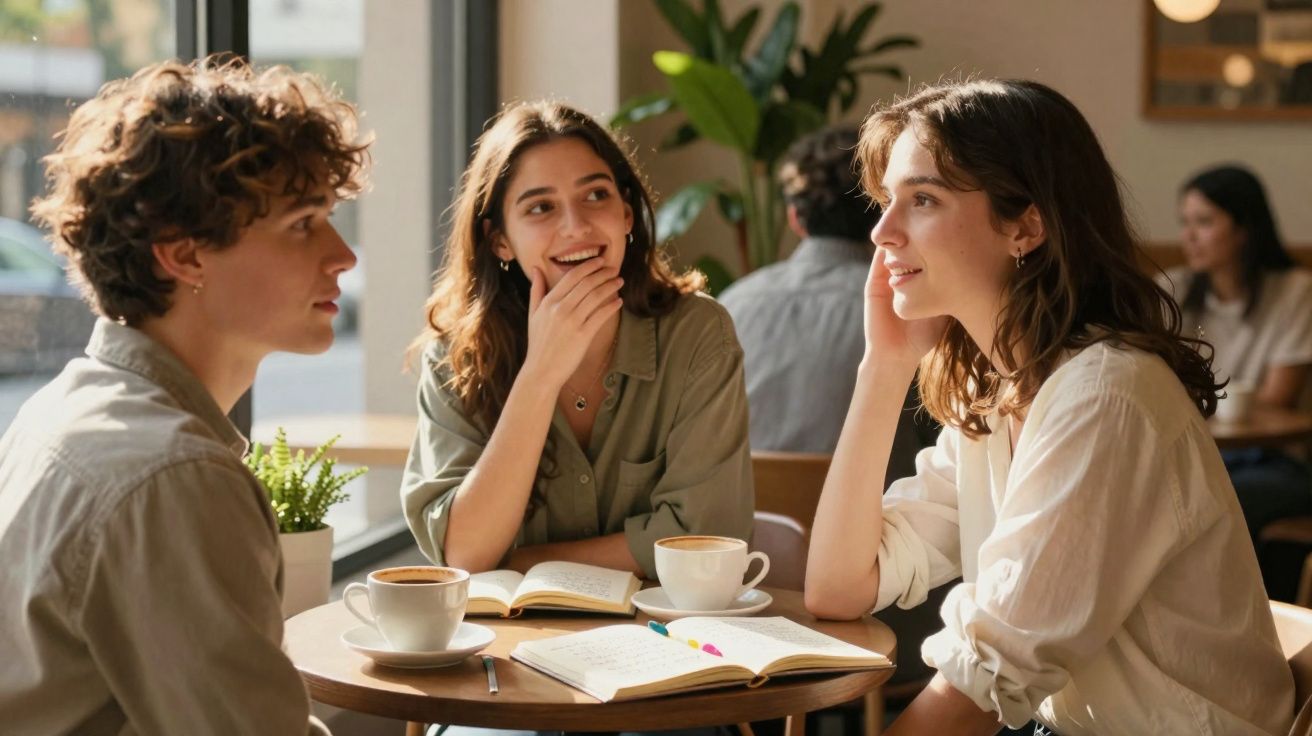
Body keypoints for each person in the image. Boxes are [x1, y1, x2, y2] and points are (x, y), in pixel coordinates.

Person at [804, 79, 1293, 735]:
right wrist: (884, 368)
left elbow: (984, 678)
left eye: (922, 199)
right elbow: (838, 587)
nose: (882, 233)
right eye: (887, 201)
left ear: (1025, 225)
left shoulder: (1103, 396)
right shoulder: (996, 394)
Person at [0, 57, 367, 734]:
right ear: (185, 254)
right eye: (302, 223)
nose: (342, 254)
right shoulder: (174, 474)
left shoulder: (64, 410)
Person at [402, 101, 753, 580]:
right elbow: (463, 550)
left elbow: (704, 539)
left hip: (668, 641)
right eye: (541, 207)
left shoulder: (697, 335)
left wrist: (517, 561)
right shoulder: (454, 355)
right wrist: (541, 374)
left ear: (626, 215)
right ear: (500, 240)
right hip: (510, 645)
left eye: (596, 196)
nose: (576, 227)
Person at [719, 125, 937, 471]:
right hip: (879, 518)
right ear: (885, 215)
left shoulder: (730, 306)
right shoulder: (912, 315)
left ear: (794, 218)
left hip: (744, 523)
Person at [1159, 164, 1312, 544]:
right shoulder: (1171, 289)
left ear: (1244, 228)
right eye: (1185, 222)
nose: (1188, 237)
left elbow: (1277, 399)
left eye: (1204, 222)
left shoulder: (1294, 292)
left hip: (1274, 460)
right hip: (1191, 453)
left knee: (1203, 501)